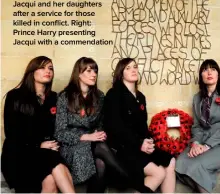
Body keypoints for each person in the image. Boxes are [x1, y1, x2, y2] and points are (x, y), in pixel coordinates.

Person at [1, 56, 75, 193]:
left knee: (51, 180)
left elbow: (59, 127)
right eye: (42, 67)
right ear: (32, 71)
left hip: (46, 152)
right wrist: (38, 144)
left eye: (50, 68)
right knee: (54, 161)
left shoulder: (54, 97)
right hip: (20, 153)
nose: (47, 71)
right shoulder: (15, 96)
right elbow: (11, 132)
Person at [103, 58, 176, 193]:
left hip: (142, 145)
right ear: (121, 73)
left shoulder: (140, 97)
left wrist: (148, 141)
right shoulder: (114, 94)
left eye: (135, 67)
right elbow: (115, 127)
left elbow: (142, 126)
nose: (133, 70)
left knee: (170, 161)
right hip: (124, 148)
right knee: (158, 172)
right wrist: (139, 143)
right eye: (128, 68)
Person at [175, 59, 220, 193]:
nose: (209, 72)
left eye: (213, 69)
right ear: (201, 76)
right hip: (202, 142)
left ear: (218, 74)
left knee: (197, 165)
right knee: (180, 163)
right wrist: (196, 143)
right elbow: (197, 126)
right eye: (205, 69)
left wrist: (207, 146)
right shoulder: (197, 98)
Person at [55, 57, 111, 192]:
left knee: (101, 162)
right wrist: (86, 137)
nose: (94, 75)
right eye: (89, 71)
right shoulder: (64, 97)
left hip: (94, 144)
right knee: (99, 160)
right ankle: (137, 184)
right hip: (72, 146)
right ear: (79, 73)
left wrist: (100, 133)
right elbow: (59, 132)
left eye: (95, 71)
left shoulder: (100, 96)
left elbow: (101, 124)